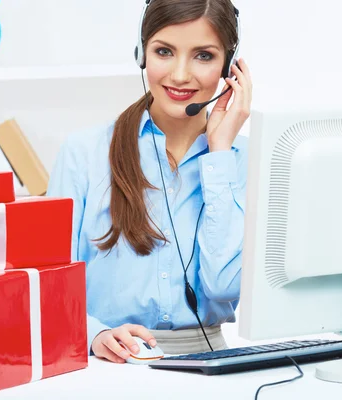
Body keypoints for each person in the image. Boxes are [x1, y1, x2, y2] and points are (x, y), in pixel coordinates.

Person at [47, 0, 252, 364]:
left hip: (214, 365)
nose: (179, 74)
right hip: (110, 364)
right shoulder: (84, 153)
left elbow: (225, 285)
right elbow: (48, 287)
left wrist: (219, 156)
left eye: (203, 56)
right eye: (164, 52)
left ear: (228, 66)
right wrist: (95, 333)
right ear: (142, 54)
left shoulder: (245, 160)